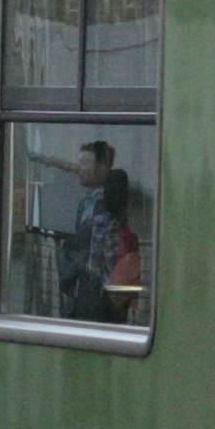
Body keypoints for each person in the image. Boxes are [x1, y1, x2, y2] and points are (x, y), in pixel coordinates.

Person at [65, 138, 144, 324]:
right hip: (85, 291)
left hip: (98, 295)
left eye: (86, 163)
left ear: (102, 167)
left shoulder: (107, 207)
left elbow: (98, 259)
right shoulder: (84, 203)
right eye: (79, 163)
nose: (80, 168)